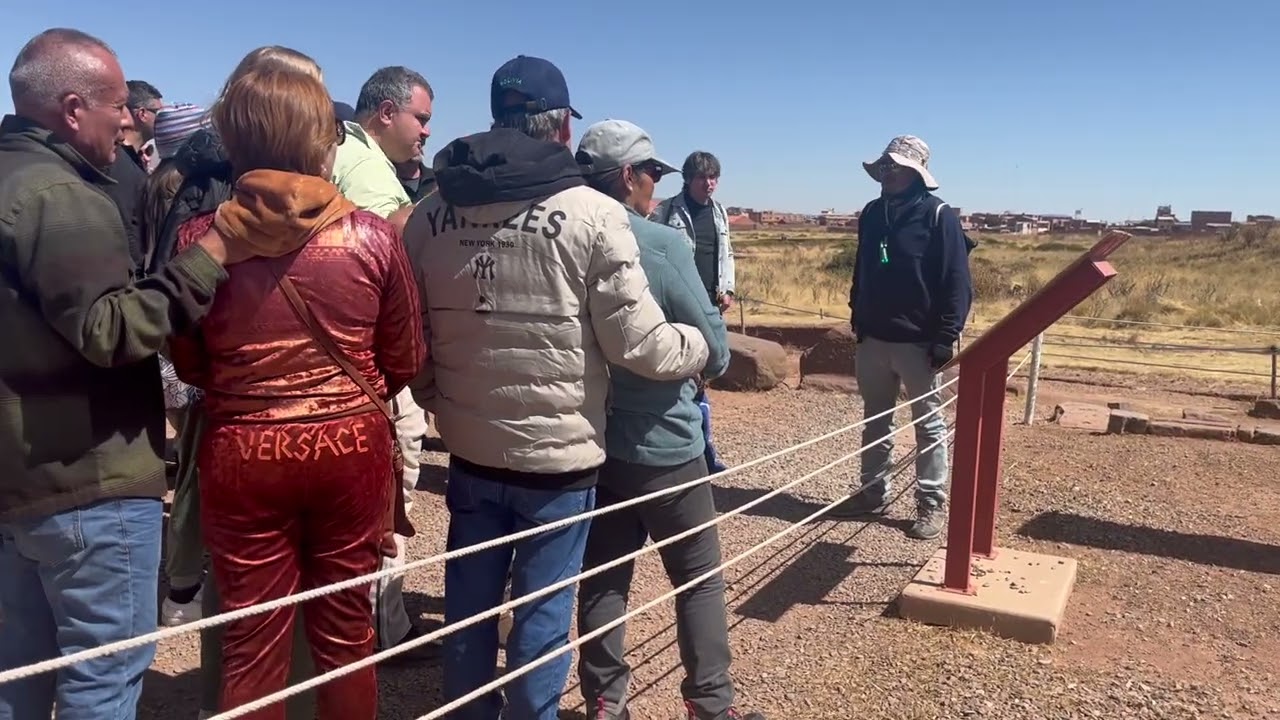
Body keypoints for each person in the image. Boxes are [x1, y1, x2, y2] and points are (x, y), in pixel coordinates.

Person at [403, 54, 712, 720]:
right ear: (561, 130)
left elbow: (412, 338)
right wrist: (697, 348)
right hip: (558, 462)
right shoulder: (590, 216)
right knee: (541, 620)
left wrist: (441, 398)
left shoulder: (429, 215)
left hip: (470, 451)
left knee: (469, 611)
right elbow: (638, 344)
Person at [166, 59, 425, 720]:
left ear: (237, 137)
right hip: (350, 450)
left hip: (242, 453)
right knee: (346, 634)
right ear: (321, 136)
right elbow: (405, 358)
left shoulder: (200, 240)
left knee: (250, 643)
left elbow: (190, 363)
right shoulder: (370, 236)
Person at [0, 27, 244, 720]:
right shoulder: (62, 196)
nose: (131, 119)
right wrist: (211, 253)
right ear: (73, 107)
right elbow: (109, 331)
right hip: (89, 477)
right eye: (118, 106)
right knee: (104, 672)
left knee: (25, 663)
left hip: (23, 473)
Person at [574, 119, 764, 720]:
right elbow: (718, 348)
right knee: (699, 578)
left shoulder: (558, 234)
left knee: (603, 578)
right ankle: (710, 705)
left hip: (590, 440)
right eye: (652, 174)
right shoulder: (660, 244)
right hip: (663, 442)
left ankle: (606, 704)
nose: (656, 186)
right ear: (628, 177)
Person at [333, 64, 439, 661]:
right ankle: (381, 633)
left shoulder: (346, 151)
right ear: (385, 112)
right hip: (371, 363)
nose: (426, 130)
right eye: (420, 117)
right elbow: (391, 240)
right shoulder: (369, 165)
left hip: (342, 359)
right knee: (390, 495)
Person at [830, 134, 973, 540]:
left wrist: (946, 335)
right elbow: (863, 268)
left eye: (897, 166)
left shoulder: (938, 216)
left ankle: (931, 503)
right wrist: (858, 314)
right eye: (885, 166)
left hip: (920, 343)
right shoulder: (873, 213)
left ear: (916, 173)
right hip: (874, 337)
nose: (889, 172)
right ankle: (872, 492)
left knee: (928, 425)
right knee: (875, 419)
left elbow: (957, 282)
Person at [650, 152, 735, 474]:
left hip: (710, 306)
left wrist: (728, 289)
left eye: (714, 177)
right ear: (688, 179)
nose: (709, 183)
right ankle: (694, 451)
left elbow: (726, 253)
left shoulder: (720, 212)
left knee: (703, 377)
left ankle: (703, 450)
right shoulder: (666, 211)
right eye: (703, 177)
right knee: (684, 376)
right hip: (677, 305)